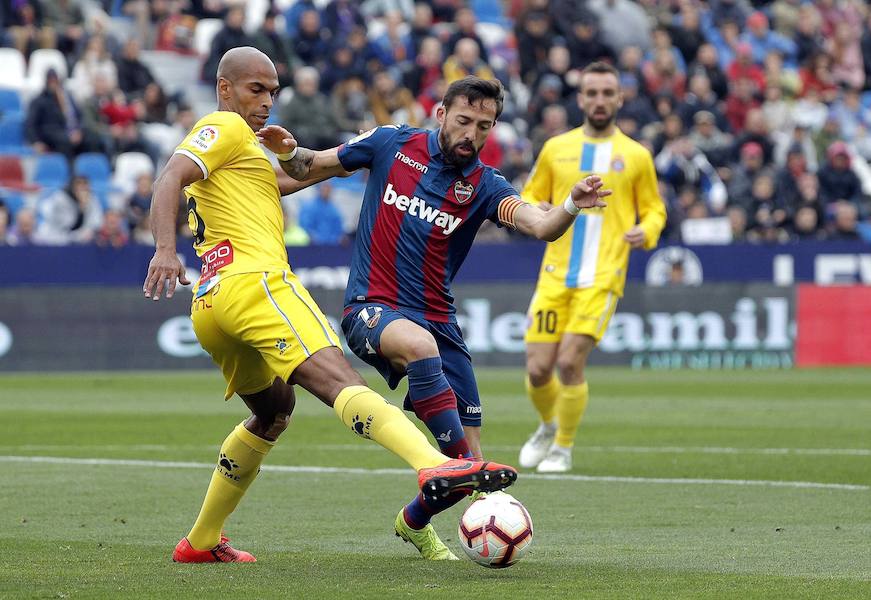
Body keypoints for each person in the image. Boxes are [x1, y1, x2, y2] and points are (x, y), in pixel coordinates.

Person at [143, 47, 519, 564]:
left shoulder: (242, 154)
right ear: (224, 88)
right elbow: (169, 177)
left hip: (211, 303)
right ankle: (433, 464)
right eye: (257, 90)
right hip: (256, 282)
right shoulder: (224, 128)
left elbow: (292, 179)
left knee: (273, 412)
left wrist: (317, 156)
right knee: (342, 381)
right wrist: (165, 249)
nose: (267, 102)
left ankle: (201, 542)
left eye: (273, 91)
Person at [257, 76, 610, 559]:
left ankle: (413, 521)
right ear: (440, 114)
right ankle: (461, 467)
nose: (472, 133)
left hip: (440, 322)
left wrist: (570, 203)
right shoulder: (391, 143)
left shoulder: (486, 185)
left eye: (484, 126)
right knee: (465, 458)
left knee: (471, 469)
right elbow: (309, 166)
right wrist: (289, 149)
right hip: (371, 308)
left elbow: (542, 225)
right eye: (464, 121)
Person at [516, 61, 667, 473]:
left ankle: (563, 446)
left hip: (603, 275)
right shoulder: (555, 148)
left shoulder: (636, 155)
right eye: (592, 93)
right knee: (537, 368)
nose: (600, 100)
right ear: (580, 99)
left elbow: (654, 209)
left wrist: (646, 230)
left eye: (607, 93)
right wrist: (539, 205)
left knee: (569, 362)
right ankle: (548, 424)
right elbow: (530, 194)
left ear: (620, 98)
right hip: (554, 274)